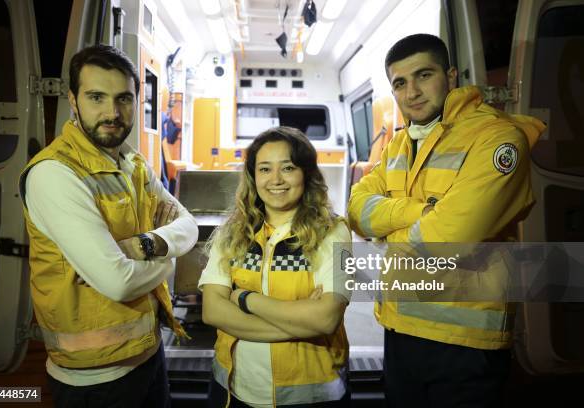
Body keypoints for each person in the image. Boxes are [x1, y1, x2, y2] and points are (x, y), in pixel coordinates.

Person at [348, 34, 546, 407]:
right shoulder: (399, 144)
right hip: (399, 327)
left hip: (464, 341)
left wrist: (389, 231)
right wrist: (419, 212)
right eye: (400, 83)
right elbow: (358, 211)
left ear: (451, 76)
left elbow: (447, 238)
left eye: (424, 75)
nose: (412, 92)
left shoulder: (497, 138)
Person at [19, 44, 198, 407]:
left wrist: (141, 246)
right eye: (96, 97)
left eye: (123, 99)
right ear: (73, 99)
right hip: (94, 381)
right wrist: (169, 260)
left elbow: (188, 226)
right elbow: (118, 282)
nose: (112, 112)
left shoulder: (131, 163)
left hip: (149, 351)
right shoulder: (55, 174)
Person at [199, 127, 352, 407]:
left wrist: (246, 299)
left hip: (310, 397)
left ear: (305, 173)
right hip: (233, 392)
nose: (276, 180)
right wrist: (302, 322)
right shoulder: (232, 232)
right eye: (265, 169)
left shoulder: (335, 232)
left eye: (288, 168)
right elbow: (211, 310)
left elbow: (326, 319)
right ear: (253, 176)